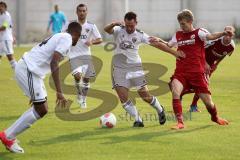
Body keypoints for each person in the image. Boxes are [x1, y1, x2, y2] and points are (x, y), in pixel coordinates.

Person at [0, 22, 81, 153]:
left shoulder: (61, 36)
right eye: (79, 36)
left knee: (41, 108)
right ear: (76, 34)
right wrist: (59, 92)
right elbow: (54, 62)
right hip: (29, 70)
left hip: (32, 71)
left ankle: (9, 135)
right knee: (41, 109)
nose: (78, 40)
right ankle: (8, 136)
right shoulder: (67, 38)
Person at [104, 11, 185, 127]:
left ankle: (160, 109)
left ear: (136, 23)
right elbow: (106, 30)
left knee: (145, 96)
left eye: (132, 26)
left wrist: (174, 52)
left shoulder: (140, 35)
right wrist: (113, 23)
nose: (129, 28)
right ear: (124, 23)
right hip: (119, 68)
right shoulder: (118, 30)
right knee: (122, 97)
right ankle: (138, 120)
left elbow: (157, 44)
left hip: (135, 68)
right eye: (127, 25)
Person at [166, 9, 231, 129]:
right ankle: (180, 123)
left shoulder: (199, 33)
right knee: (175, 92)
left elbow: (210, 36)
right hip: (181, 72)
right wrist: (158, 42)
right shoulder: (178, 35)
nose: (182, 26)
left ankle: (215, 117)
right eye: (180, 24)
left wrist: (222, 34)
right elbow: (168, 45)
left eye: (183, 24)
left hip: (197, 74)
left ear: (190, 21)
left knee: (208, 103)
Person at [188, 26, 235, 112]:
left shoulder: (232, 47)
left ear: (233, 36)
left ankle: (187, 99)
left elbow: (223, 55)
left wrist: (216, 64)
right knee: (204, 84)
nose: (227, 37)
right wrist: (205, 63)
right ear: (223, 33)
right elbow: (200, 50)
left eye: (230, 35)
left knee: (201, 84)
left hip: (210, 66)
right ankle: (192, 105)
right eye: (226, 34)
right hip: (200, 61)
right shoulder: (214, 40)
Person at [68, 4, 102, 108]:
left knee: (86, 79)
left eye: (84, 11)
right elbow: (61, 35)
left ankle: (83, 99)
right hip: (73, 54)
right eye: (80, 11)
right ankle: (79, 92)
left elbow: (100, 39)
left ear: (87, 12)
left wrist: (92, 41)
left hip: (86, 55)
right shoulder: (71, 24)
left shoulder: (91, 26)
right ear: (76, 12)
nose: (82, 13)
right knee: (78, 77)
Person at [0, 1, 17, 70]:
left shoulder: (7, 15)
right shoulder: (0, 15)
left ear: (5, 8)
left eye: (2, 6)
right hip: (1, 39)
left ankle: (18, 72)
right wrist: (13, 36)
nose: (0, 8)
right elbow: (10, 27)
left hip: (5, 39)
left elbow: (4, 27)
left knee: (9, 56)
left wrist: (11, 37)